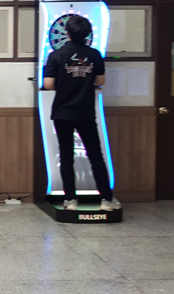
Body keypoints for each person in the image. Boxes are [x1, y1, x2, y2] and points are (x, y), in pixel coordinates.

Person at [43, 15, 122, 212]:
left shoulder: (55, 55)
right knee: (95, 155)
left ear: (67, 32)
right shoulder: (94, 55)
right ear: (88, 34)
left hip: (62, 112)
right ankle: (107, 200)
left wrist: (65, 82)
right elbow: (100, 82)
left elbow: (48, 84)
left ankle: (70, 200)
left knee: (66, 156)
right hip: (85, 112)